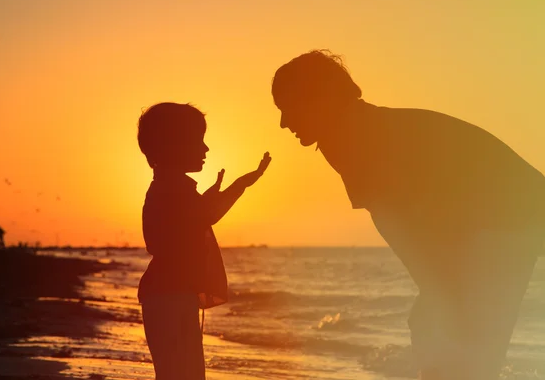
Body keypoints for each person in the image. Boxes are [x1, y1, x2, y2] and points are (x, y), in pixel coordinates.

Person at [271, 50, 545, 380]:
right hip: (501, 219)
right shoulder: (354, 127)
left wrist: (442, 293)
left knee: (466, 345)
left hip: (509, 218)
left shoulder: (352, 135)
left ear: (317, 99)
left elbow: (401, 223)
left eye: (288, 108)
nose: (284, 123)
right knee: (447, 333)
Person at [136, 102, 271, 380]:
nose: (206, 149)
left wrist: (216, 196)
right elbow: (201, 218)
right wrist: (241, 185)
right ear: (172, 146)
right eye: (198, 141)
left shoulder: (170, 187)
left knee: (178, 373)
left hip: (168, 294)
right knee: (183, 374)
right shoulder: (171, 189)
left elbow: (195, 219)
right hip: (169, 296)